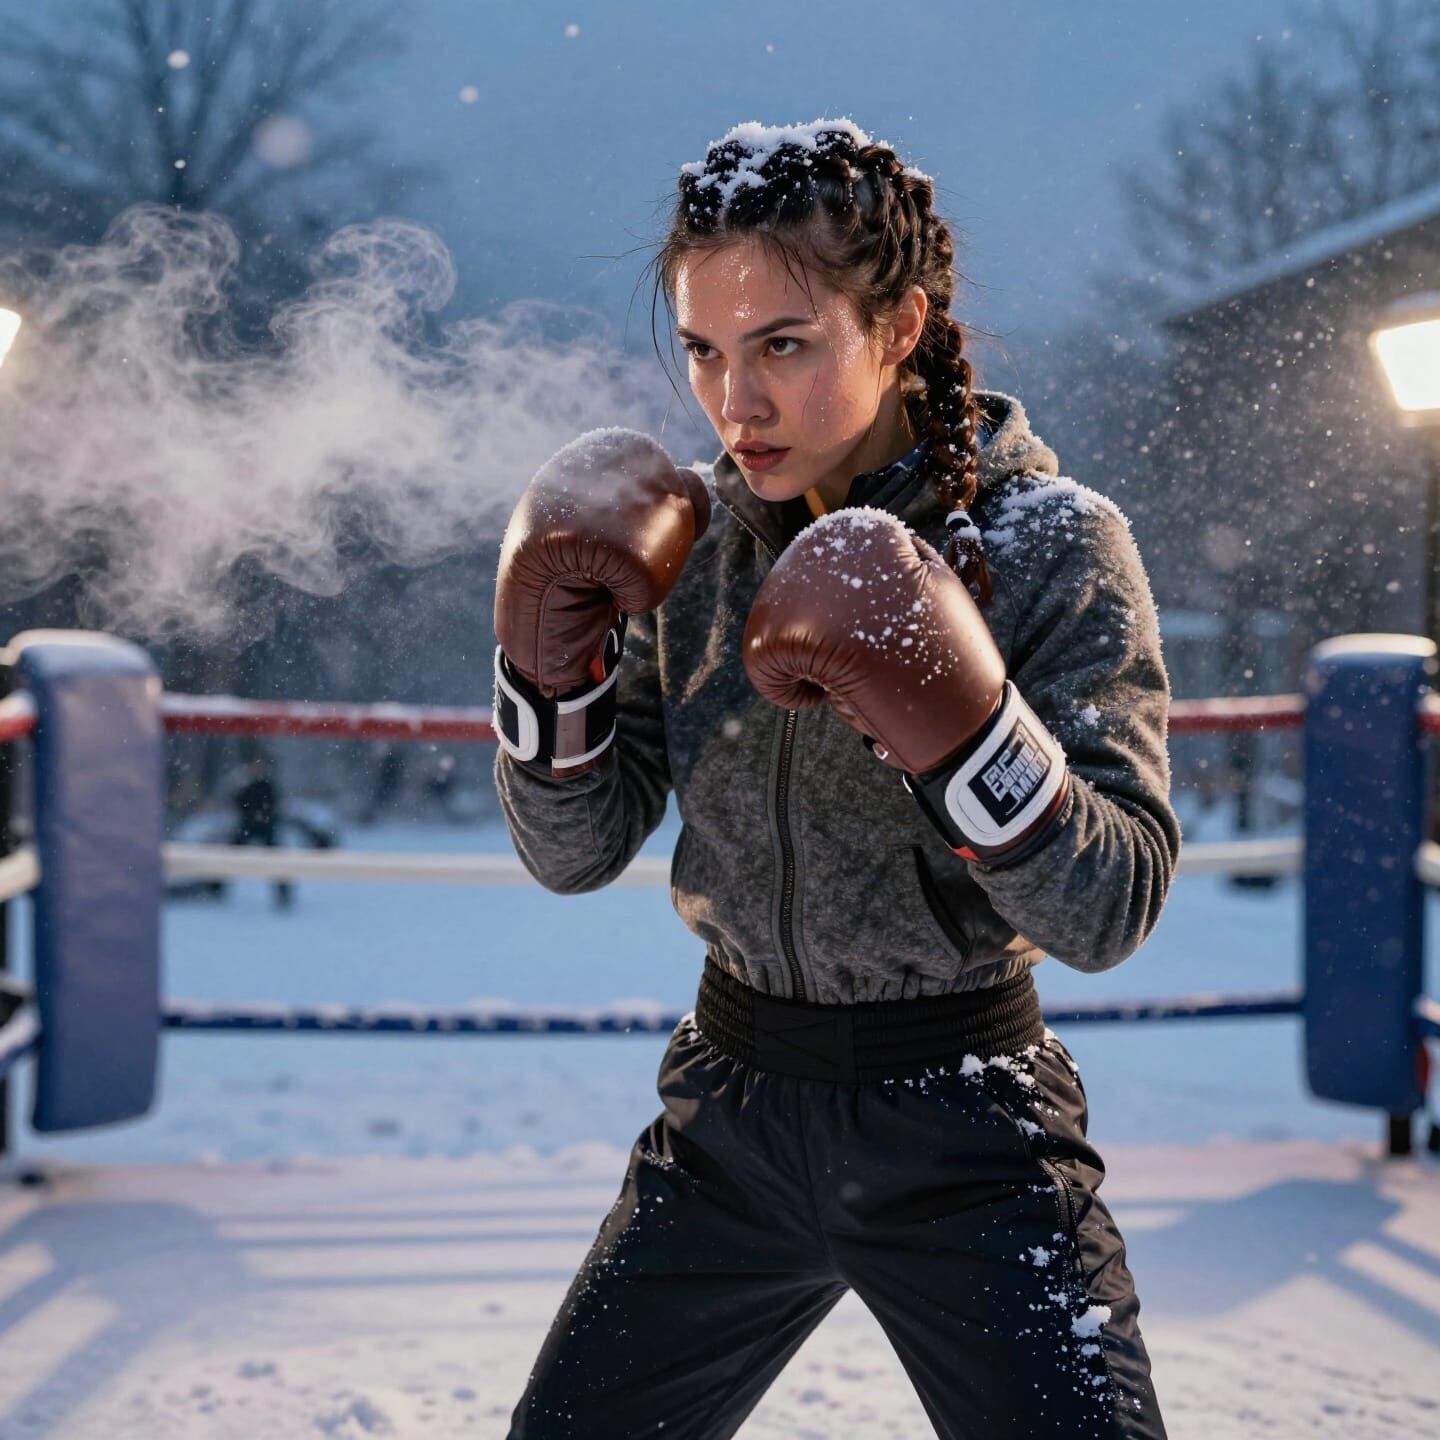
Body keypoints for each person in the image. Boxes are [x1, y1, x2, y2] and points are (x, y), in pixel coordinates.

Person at [492, 119, 1180, 1439]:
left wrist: (964, 729)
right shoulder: (682, 546)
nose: (733, 404)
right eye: (704, 350)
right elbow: (571, 852)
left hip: (969, 1127)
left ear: (901, 326)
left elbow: (1111, 906)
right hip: (730, 1119)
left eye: (783, 346)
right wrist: (546, 676)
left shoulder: (1052, 543)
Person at [229, 749, 294, 910]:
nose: (258, 767)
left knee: (276, 861)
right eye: (255, 764)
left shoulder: (268, 785)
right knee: (227, 855)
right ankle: (214, 887)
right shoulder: (246, 784)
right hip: (248, 827)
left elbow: (275, 805)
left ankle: (283, 894)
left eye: (261, 764)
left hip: (266, 827)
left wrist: (264, 816)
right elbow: (238, 803)